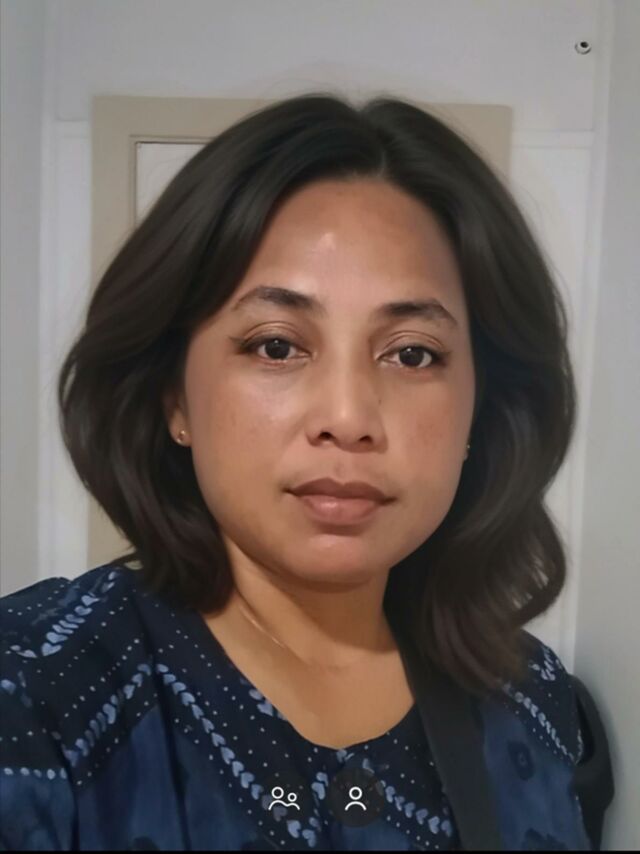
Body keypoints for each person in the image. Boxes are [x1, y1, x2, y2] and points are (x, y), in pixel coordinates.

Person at [0, 92, 592, 850]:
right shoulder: (37, 690)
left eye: (412, 354)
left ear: (483, 408)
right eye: (277, 346)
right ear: (174, 396)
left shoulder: (529, 700)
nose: (347, 417)